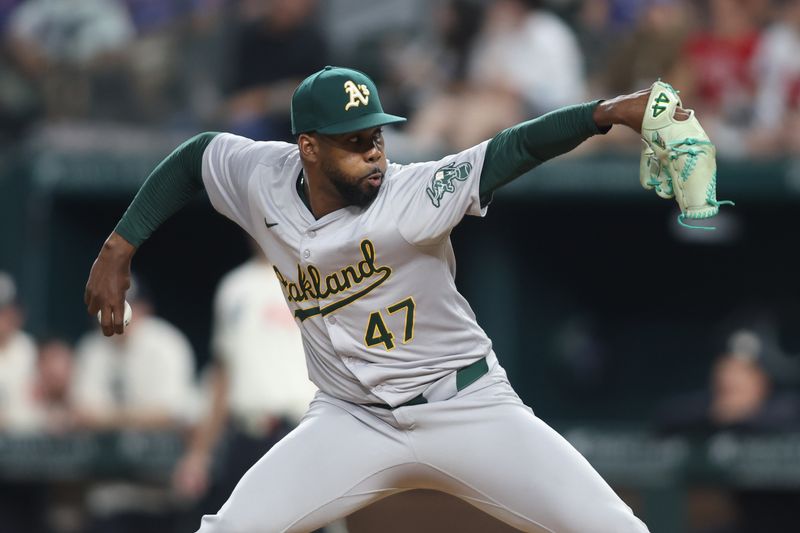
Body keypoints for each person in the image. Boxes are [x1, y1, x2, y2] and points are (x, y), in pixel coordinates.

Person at [84, 65, 690, 532]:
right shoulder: (259, 176)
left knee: (615, 528)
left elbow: (511, 149)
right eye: (354, 142)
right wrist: (119, 246)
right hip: (350, 419)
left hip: (465, 407)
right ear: (309, 147)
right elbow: (195, 158)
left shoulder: (413, 195)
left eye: (377, 135)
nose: (375, 152)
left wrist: (607, 111)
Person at [173, 245, 318, 518]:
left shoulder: (319, 275)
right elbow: (222, 375)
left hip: (305, 430)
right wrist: (199, 454)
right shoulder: (234, 287)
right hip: (249, 434)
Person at [73, 277, 196, 533]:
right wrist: (140, 417)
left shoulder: (166, 343)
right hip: (108, 492)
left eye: (125, 306)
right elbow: (83, 414)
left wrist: (111, 418)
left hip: (161, 491)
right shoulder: (92, 348)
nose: (116, 314)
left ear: (143, 309)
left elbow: (172, 413)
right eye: (109, 306)